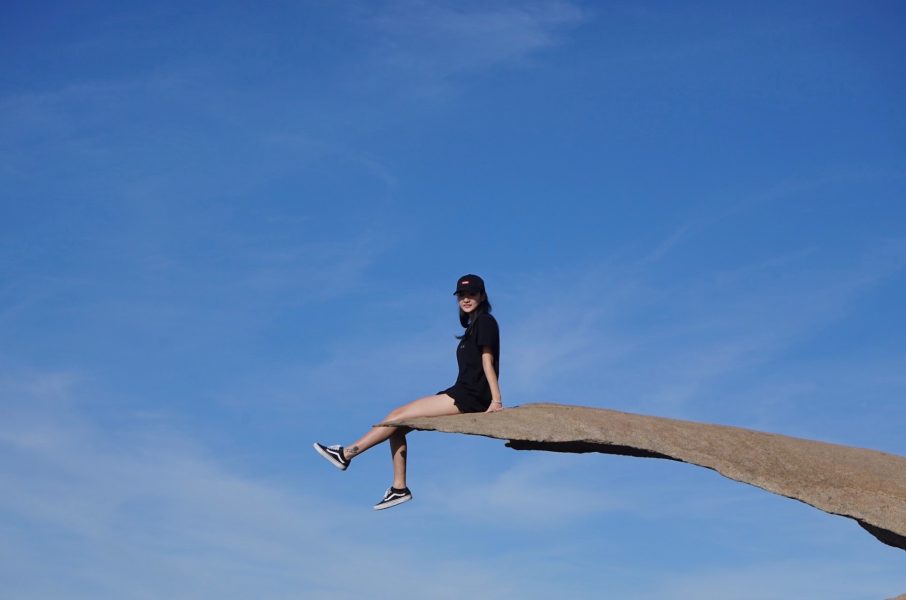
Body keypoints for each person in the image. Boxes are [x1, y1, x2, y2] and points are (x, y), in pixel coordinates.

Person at [314, 274, 503, 510]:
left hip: (471, 396)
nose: (466, 299)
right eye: (461, 295)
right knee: (398, 426)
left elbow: (488, 361)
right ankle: (399, 488)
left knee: (398, 415)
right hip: (462, 391)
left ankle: (347, 454)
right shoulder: (473, 327)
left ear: (482, 296)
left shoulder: (485, 322)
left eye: (472, 294)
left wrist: (495, 400)